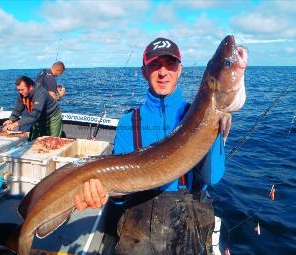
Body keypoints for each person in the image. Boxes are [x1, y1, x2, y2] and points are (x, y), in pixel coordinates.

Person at [74, 38, 228, 254]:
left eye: (170, 64)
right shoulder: (129, 123)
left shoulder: (201, 114)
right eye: (155, 65)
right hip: (139, 231)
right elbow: (121, 197)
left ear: (180, 69)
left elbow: (212, 177)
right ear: (144, 71)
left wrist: (211, 122)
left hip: (190, 228)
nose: (163, 72)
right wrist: (104, 192)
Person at [3, 75, 63, 141]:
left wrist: (16, 124)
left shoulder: (40, 93)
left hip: (52, 116)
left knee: (53, 140)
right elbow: (18, 109)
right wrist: (11, 119)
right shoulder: (22, 94)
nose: (20, 92)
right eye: (18, 90)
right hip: (39, 117)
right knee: (34, 140)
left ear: (30, 87)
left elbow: (34, 115)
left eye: (22, 89)